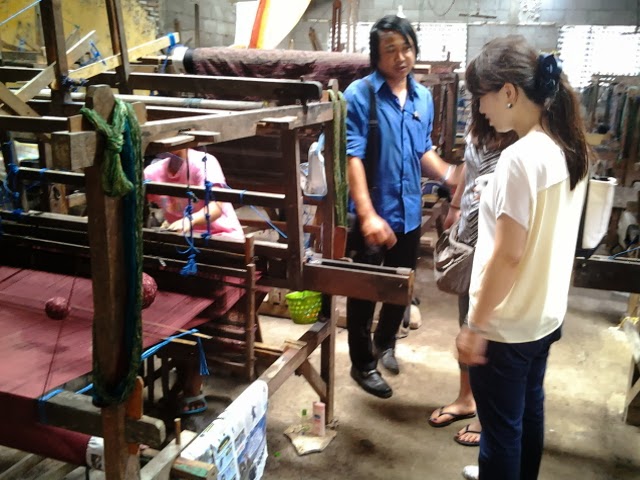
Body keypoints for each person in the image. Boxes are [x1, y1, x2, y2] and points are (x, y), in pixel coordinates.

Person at [456, 36, 590, 479]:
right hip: (543, 318)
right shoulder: (567, 148)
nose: (480, 108)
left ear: (509, 92)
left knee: (499, 434)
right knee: (527, 414)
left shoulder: (519, 159)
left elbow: (509, 255)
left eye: (482, 96)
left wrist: (476, 325)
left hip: (507, 326)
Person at [344, 15, 460, 399]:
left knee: (401, 284)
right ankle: (362, 364)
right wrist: (366, 214)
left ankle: (385, 344)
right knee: (364, 291)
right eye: (390, 50)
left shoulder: (422, 97)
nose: (400, 57)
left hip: (409, 210)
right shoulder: (360, 95)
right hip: (373, 213)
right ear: (376, 57)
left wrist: (450, 174)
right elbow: (352, 157)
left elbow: (423, 149)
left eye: (406, 48)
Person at [428, 104, 517, 449]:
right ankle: (467, 399)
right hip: (470, 239)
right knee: (466, 321)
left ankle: (487, 412)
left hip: (499, 243)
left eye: (484, 94)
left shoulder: (522, 138)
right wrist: (454, 208)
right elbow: (469, 166)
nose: (479, 103)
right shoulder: (480, 127)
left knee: (489, 329)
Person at [144, 148, 244, 414]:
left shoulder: (204, 163)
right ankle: (185, 373)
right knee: (172, 309)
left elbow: (216, 208)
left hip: (221, 246)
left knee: (206, 313)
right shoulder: (152, 173)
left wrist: (187, 222)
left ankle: (192, 384)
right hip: (182, 249)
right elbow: (133, 200)